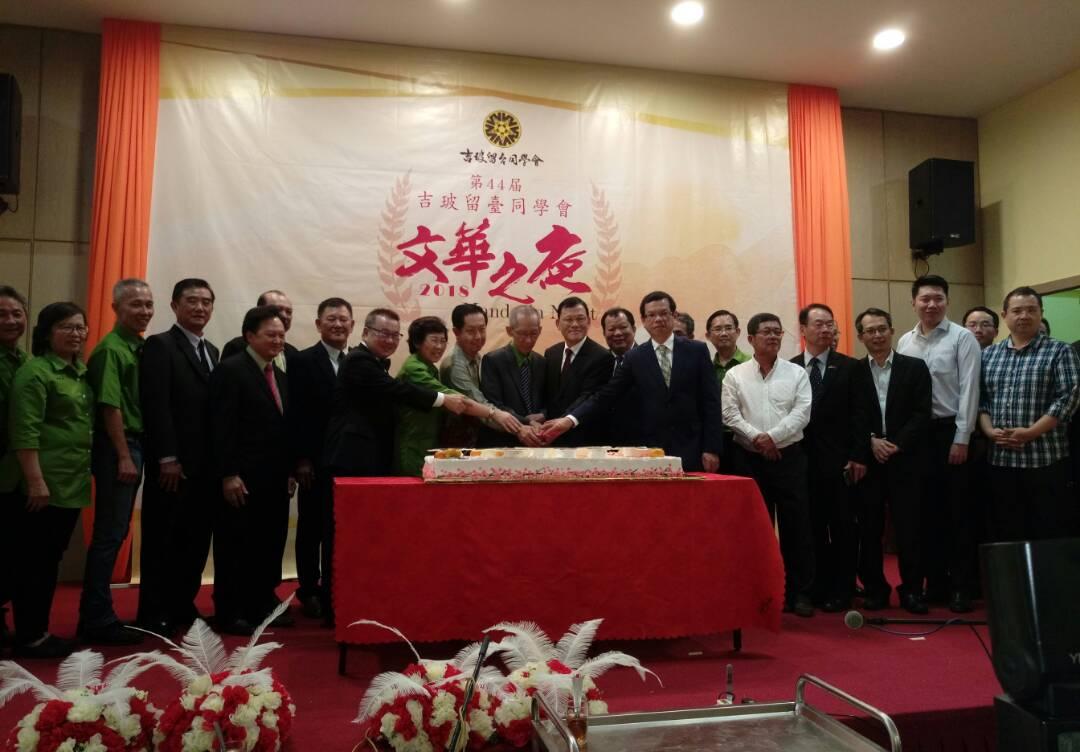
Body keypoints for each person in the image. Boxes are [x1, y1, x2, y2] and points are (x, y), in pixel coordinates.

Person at [321, 308, 469, 625]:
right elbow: (397, 391)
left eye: (393, 335)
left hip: (371, 458)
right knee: (343, 535)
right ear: (365, 333)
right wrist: (444, 401)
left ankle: (354, 601)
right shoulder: (360, 362)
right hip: (351, 459)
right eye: (382, 333)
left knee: (363, 535)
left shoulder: (378, 363)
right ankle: (336, 606)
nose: (388, 340)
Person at [542, 291, 722, 472]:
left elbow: (711, 402)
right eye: (651, 315)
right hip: (650, 450)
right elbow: (606, 395)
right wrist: (570, 420)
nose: (658, 319)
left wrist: (711, 448)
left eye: (663, 313)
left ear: (673, 316)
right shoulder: (635, 357)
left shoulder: (697, 351)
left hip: (693, 446)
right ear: (644, 320)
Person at [7, 302, 94, 657]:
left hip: (71, 483)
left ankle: (37, 629)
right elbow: (24, 430)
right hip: (45, 485)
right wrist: (35, 480)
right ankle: (30, 635)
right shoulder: (36, 372)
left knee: (48, 559)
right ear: (47, 333)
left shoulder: (80, 372)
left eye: (80, 327)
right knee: (34, 562)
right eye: (66, 327)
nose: (75, 334)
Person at [137, 278, 220, 636]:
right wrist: (166, 457)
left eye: (205, 302)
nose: (199, 308)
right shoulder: (160, 345)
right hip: (173, 464)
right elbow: (157, 406)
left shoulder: (213, 351)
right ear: (174, 306)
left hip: (205, 466)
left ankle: (182, 603)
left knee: (195, 538)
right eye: (191, 301)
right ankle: (153, 611)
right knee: (163, 538)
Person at [896, 275, 981, 613]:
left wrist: (962, 437)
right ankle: (936, 584)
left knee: (957, 513)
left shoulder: (963, 339)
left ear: (947, 301)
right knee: (924, 514)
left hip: (952, 434)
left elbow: (970, 391)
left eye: (938, 298)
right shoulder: (904, 342)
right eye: (925, 299)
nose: (931, 304)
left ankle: (961, 587)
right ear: (914, 302)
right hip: (917, 439)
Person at [210, 305, 295, 635]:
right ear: (249, 336)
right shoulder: (231, 370)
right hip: (241, 479)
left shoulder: (280, 376)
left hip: (274, 479)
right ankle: (230, 612)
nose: (277, 341)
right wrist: (228, 473)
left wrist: (288, 470)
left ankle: (260, 605)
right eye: (270, 335)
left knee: (266, 545)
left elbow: (284, 428)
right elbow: (221, 427)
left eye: (281, 336)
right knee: (235, 545)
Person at [721, 313, 814, 616]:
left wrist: (772, 438)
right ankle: (759, 592)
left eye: (777, 332)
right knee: (756, 529)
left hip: (789, 457)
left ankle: (798, 593)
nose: (773, 337)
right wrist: (758, 439)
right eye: (766, 332)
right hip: (748, 459)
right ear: (750, 339)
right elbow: (730, 415)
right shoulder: (735, 375)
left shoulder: (796, 372)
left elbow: (802, 413)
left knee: (796, 527)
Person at [78, 279, 153, 645]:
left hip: (135, 446)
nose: (143, 311)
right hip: (119, 449)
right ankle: (96, 617)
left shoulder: (137, 345)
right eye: (135, 305)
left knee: (117, 531)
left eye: (148, 304)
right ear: (116, 308)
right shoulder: (111, 349)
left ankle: (98, 612)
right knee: (110, 534)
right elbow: (110, 407)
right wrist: (124, 455)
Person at [979, 287, 1080, 540]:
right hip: (1001, 459)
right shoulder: (989, 355)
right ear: (1004, 315)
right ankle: (1014, 580)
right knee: (1006, 529)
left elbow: (1069, 397)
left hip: (1044, 459)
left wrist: (1031, 432)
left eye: (1031, 310)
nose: (1024, 315)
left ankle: (1048, 580)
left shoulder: (1060, 351)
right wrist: (989, 430)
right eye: (1017, 310)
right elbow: (981, 400)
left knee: (1048, 528)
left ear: (1040, 313)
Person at [851, 308, 932, 614]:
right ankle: (875, 589)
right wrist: (870, 442)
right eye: (870, 330)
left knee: (910, 528)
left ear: (892, 330)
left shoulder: (915, 368)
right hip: (869, 462)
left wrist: (895, 444)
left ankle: (912, 590)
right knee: (869, 530)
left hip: (906, 460)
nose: (877, 335)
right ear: (861, 336)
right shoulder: (853, 371)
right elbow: (853, 416)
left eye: (882, 328)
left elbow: (922, 414)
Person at [792, 303, 866, 612]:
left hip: (841, 463)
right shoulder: (791, 368)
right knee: (810, 529)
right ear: (804, 330)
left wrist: (859, 455)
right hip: (802, 463)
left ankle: (844, 588)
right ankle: (815, 587)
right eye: (819, 324)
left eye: (830, 324)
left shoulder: (851, 367)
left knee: (844, 528)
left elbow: (862, 416)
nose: (826, 330)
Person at [289, 297, 354, 620]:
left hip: (346, 463)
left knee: (338, 529)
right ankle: (308, 590)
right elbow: (296, 415)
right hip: (313, 462)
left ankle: (334, 589)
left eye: (344, 319)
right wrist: (300, 458)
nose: (338, 324)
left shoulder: (357, 361)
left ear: (352, 325)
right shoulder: (302, 361)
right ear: (318, 324)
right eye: (331, 319)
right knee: (310, 529)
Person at [396, 316, 493, 476]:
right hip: (413, 448)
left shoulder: (429, 367)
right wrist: (493, 413)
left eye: (443, 341)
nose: (439, 346)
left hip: (429, 444)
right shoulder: (415, 369)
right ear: (417, 342)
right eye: (434, 340)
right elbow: (456, 400)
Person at [439, 303, 522, 447]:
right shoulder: (454, 366)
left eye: (482, 329)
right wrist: (520, 429)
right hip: (460, 445)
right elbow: (479, 405)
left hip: (479, 438)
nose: (478, 336)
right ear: (456, 332)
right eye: (470, 331)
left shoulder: (477, 357)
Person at [0, 286, 29, 643]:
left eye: (16, 314)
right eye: (3, 314)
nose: (10, 320)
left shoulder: (22, 360)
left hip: (15, 476)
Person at [543, 297, 612, 446]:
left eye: (580, 319)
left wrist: (567, 420)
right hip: (550, 439)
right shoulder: (551, 353)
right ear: (557, 324)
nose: (575, 324)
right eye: (568, 319)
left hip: (584, 439)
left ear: (588, 321)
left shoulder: (602, 356)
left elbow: (590, 396)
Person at [480, 305, 547, 447]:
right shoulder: (493, 360)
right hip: (504, 440)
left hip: (537, 439)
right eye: (522, 334)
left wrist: (543, 415)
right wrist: (527, 421)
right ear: (509, 331)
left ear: (540, 330)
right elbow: (495, 404)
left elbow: (549, 399)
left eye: (533, 333)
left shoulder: (541, 362)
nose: (528, 340)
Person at [705, 309, 749, 470]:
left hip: (745, 438)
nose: (724, 333)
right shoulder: (706, 367)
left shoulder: (752, 364)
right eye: (717, 329)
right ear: (708, 336)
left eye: (728, 328)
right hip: (716, 438)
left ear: (737, 332)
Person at [221, 290, 299, 370]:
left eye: (289, 312)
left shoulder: (292, 352)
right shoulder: (237, 347)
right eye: (277, 310)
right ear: (259, 310)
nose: (284, 315)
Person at [600, 307, 640, 445]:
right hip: (602, 441)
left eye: (623, 327)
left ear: (634, 329)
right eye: (611, 329)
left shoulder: (647, 358)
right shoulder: (598, 361)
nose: (617, 333)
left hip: (640, 441)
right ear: (604, 333)